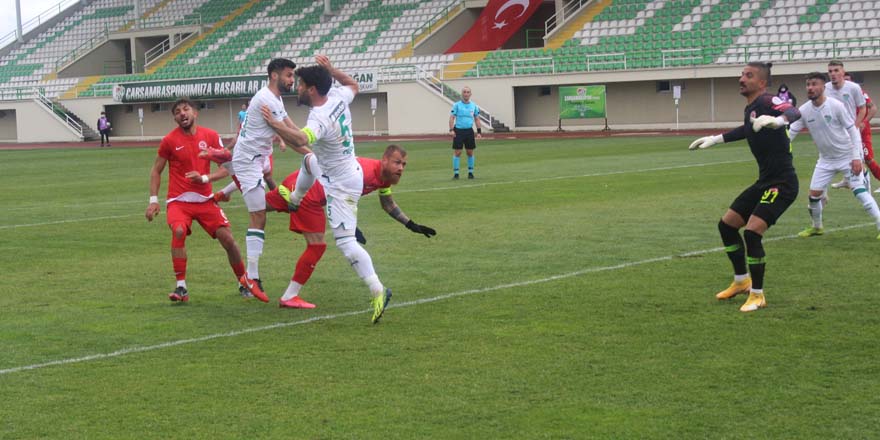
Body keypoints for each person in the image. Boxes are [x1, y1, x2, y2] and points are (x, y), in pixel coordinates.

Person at [207, 145, 436, 309]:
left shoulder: (384, 178)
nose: (401, 168)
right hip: (311, 196)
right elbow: (333, 191)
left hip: (298, 183)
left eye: (404, 164)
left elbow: (387, 203)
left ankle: (231, 166)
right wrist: (348, 227)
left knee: (258, 207)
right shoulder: (364, 171)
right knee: (317, 246)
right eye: (397, 162)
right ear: (384, 160)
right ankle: (290, 297)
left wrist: (410, 224)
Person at [261, 54, 394, 323]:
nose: (296, 88)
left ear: (311, 89)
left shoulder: (320, 118)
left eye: (300, 85)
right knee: (311, 160)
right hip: (343, 169)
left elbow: (300, 138)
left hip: (341, 184)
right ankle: (296, 197)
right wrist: (332, 69)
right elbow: (354, 85)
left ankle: (378, 290)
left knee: (346, 244)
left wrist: (273, 124)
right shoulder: (336, 97)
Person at [688, 62, 801, 313]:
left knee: (752, 233)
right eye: (741, 74)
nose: (741, 79)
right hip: (764, 181)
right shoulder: (752, 107)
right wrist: (717, 139)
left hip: (782, 183)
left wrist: (778, 120)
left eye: (748, 75)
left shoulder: (768, 101)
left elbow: (794, 112)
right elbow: (747, 130)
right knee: (727, 225)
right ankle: (742, 281)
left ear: (762, 83)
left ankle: (758, 295)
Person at [145, 98, 265, 303]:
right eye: (177, 112)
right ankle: (181, 287)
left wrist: (205, 178)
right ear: (174, 118)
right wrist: (153, 200)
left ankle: (244, 281)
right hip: (179, 201)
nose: (182, 114)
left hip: (205, 200)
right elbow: (156, 170)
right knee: (179, 230)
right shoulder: (169, 141)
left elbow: (226, 167)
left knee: (227, 239)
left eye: (185, 109)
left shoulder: (210, 136)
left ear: (195, 113)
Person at [229, 58, 302, 297]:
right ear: (274, 75)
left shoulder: (275, 99)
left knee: (262, 210)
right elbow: (292, 137)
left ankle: (249, 278)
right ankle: (251, 277)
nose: (292, 80)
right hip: (248, 160)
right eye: (289, 75)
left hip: (257, 159)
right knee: (258, 214)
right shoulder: (266, 99)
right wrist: (310, 152)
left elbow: (295, 131)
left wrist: (310, 140)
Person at [789, 72, 880, 239]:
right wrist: (780, 145)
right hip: (825, 160)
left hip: (847, 156)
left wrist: (856, 157)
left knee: (860, 193)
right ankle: (817, 227)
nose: (810, 88)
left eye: (814, 84)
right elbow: (791, 131)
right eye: (808, 84)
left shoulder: (836, 105)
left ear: (823, 87)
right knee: (813, 195)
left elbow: (852, 130)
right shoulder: (803, 110)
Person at [826, 61, 867, 190]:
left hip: (851, 133)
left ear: (843, 72)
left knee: (858, 165)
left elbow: (863, 108)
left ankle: (868, 194)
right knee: (826, 165)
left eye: (836, 70)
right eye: (830, 71)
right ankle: (819, 196)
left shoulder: (853, 87)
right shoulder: (825, 88)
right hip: (834, 135)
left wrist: (855, 126)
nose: (833, 74)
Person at [844, 72, 880, 191]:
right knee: (847, 156)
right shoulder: (842, 94)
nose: (846, 82)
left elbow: (873, 108)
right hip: (849, 130)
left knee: (868, 158)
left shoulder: (860, 92)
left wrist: (863, 122)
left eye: (848, 80)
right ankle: (847, 180)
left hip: (862, 132)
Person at [449, 86, 482, 180]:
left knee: (470, 152)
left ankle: (470, 173)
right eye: (464, 92)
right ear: (462, 94)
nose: (466, 94)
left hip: (469, 131)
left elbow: (477, 119)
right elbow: (452, 117)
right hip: (458, 131)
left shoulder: (474, 106)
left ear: (470, 94)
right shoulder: (456, 105)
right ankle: (456, 173)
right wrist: (451, 130)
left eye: (468, 92)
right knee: (458, 152)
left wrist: (479, 132)